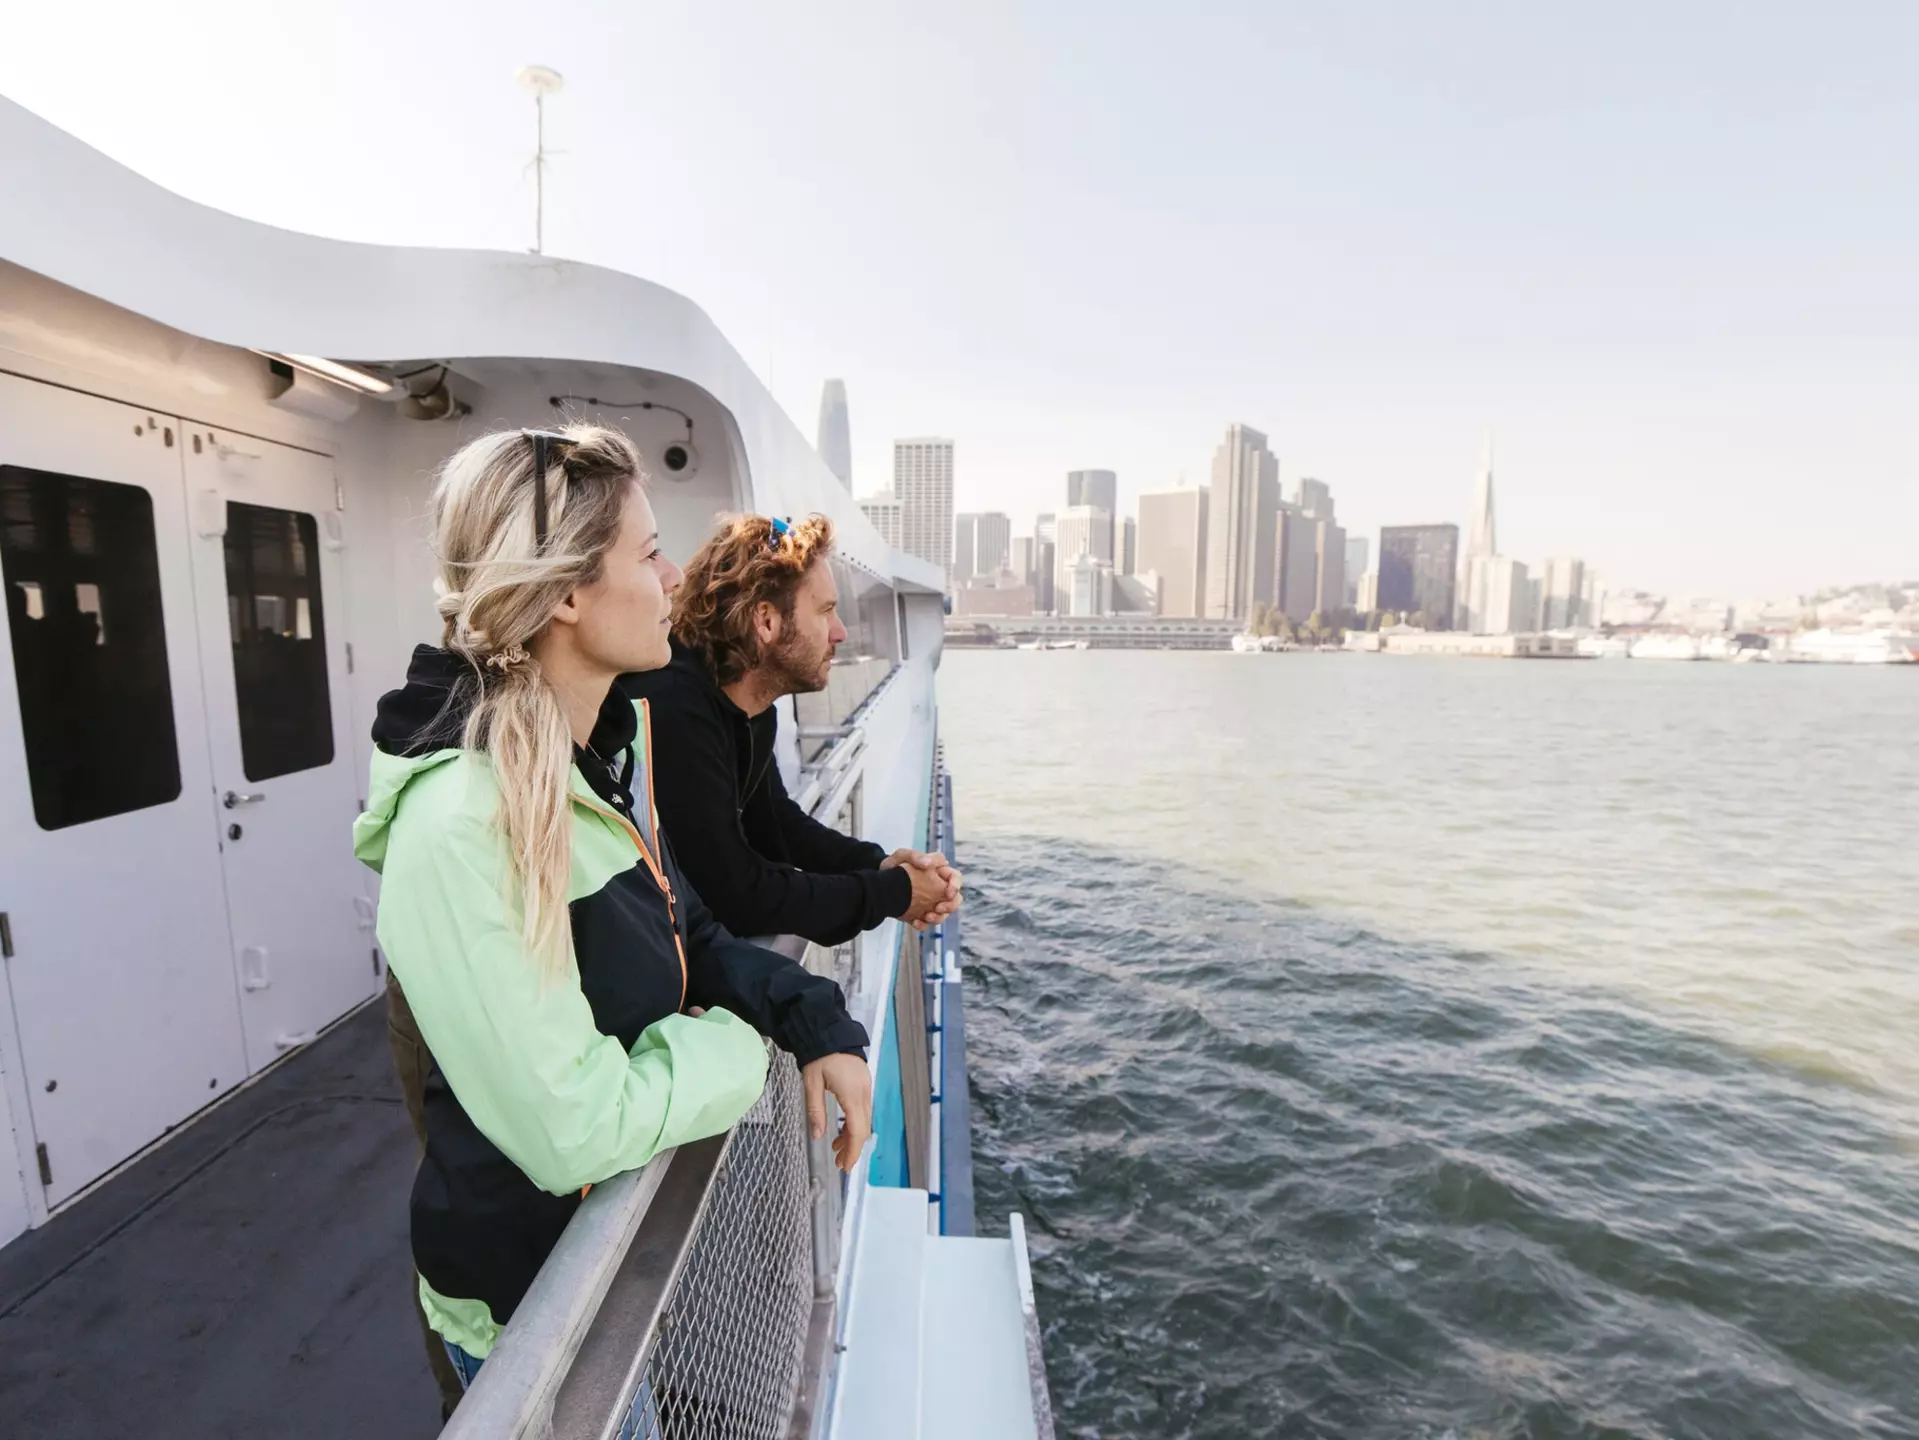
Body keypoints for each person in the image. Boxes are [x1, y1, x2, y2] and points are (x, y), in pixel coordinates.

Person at [354, 426, 873, 1426]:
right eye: (648, 553)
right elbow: (575, 1129)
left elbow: (688, 934)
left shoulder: (600, 749)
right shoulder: (460, 820)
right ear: (566, 594)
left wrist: (809, 1016)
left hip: (601, 1277)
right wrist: (741, 1053)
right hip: (525, 1327)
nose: (673, 579)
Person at [619, 512, 960, 948]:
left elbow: (777, 824)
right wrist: (896, 893)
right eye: (826, 611)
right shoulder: (672, 708)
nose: (840, 632)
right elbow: (736, 895)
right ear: (766, 621)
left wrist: (882, 866)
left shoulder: (748, 705)